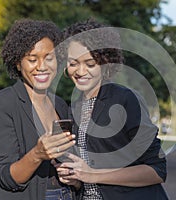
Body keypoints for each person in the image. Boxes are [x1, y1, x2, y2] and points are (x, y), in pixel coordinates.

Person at [54, 19, 168, 200]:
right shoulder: (75, 107)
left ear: (106, 63)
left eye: (90, 63)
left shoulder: (125, 99)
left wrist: (93, 174)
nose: (80, 71)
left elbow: (157, 170)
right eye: (73, 63)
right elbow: (85, 177)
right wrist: (74, 178)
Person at [0, 19, 76, 200]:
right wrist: (37, 154)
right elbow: (5, 177)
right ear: (18, 63)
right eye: (32, 59)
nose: (42, 67)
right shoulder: (2, 103)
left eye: (49, 58)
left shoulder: (61, 104)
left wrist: (73, 176)